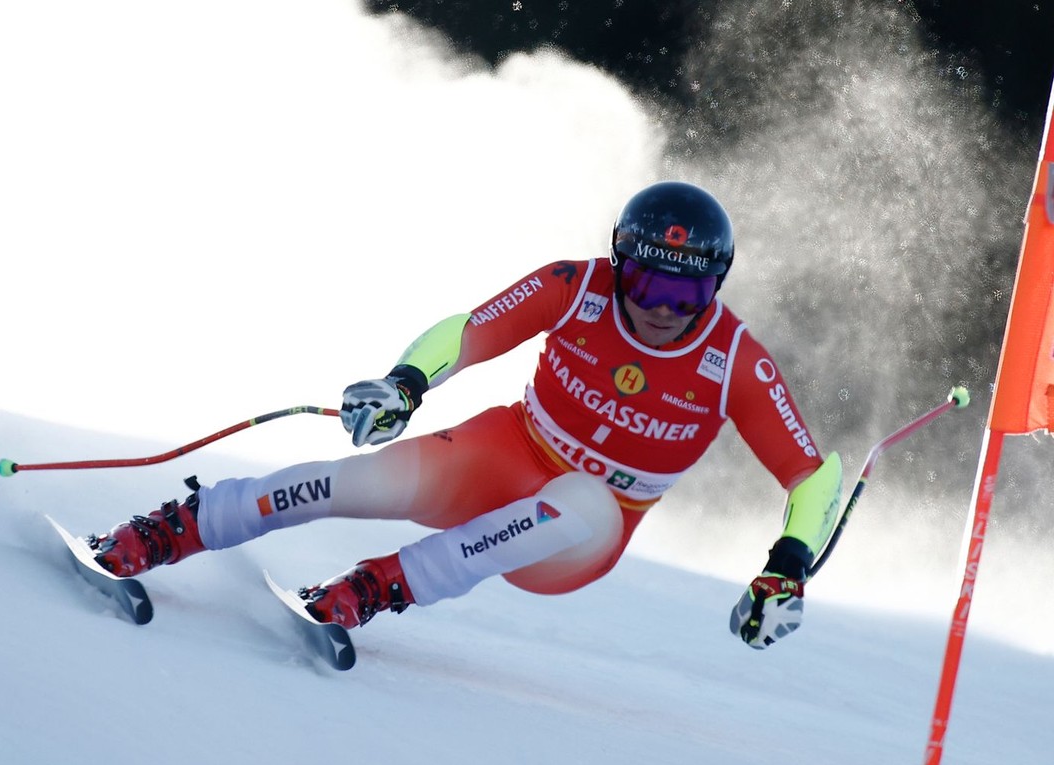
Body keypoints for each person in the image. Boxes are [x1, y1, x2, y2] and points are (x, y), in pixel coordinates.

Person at [86, 181, 842, 650]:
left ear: (717, 287)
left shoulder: (736, 359)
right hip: (507, 450)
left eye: (686, 297)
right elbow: (471, 329)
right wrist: (405, 383)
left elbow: (811, 476)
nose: (658, 311)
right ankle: (172, 527)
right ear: (620, 261)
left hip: (584, 528)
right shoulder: (576, 285)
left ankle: (375, 587)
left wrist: (787, 568)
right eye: (643, 281)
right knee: (364, 482)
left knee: (579, 498)